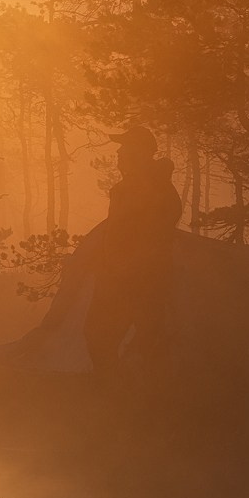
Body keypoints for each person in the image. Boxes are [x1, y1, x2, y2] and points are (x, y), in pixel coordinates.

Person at [83, 126, 182, 371]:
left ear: (138, 153)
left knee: (107, 335)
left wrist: (122, 268)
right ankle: (133, 394)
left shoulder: (146, 190)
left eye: (125, 148)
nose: (119, 153)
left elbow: (150, 234)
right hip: (127, 278)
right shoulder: (134, 188)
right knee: (142, 338)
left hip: (135, 281)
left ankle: (126, 395)